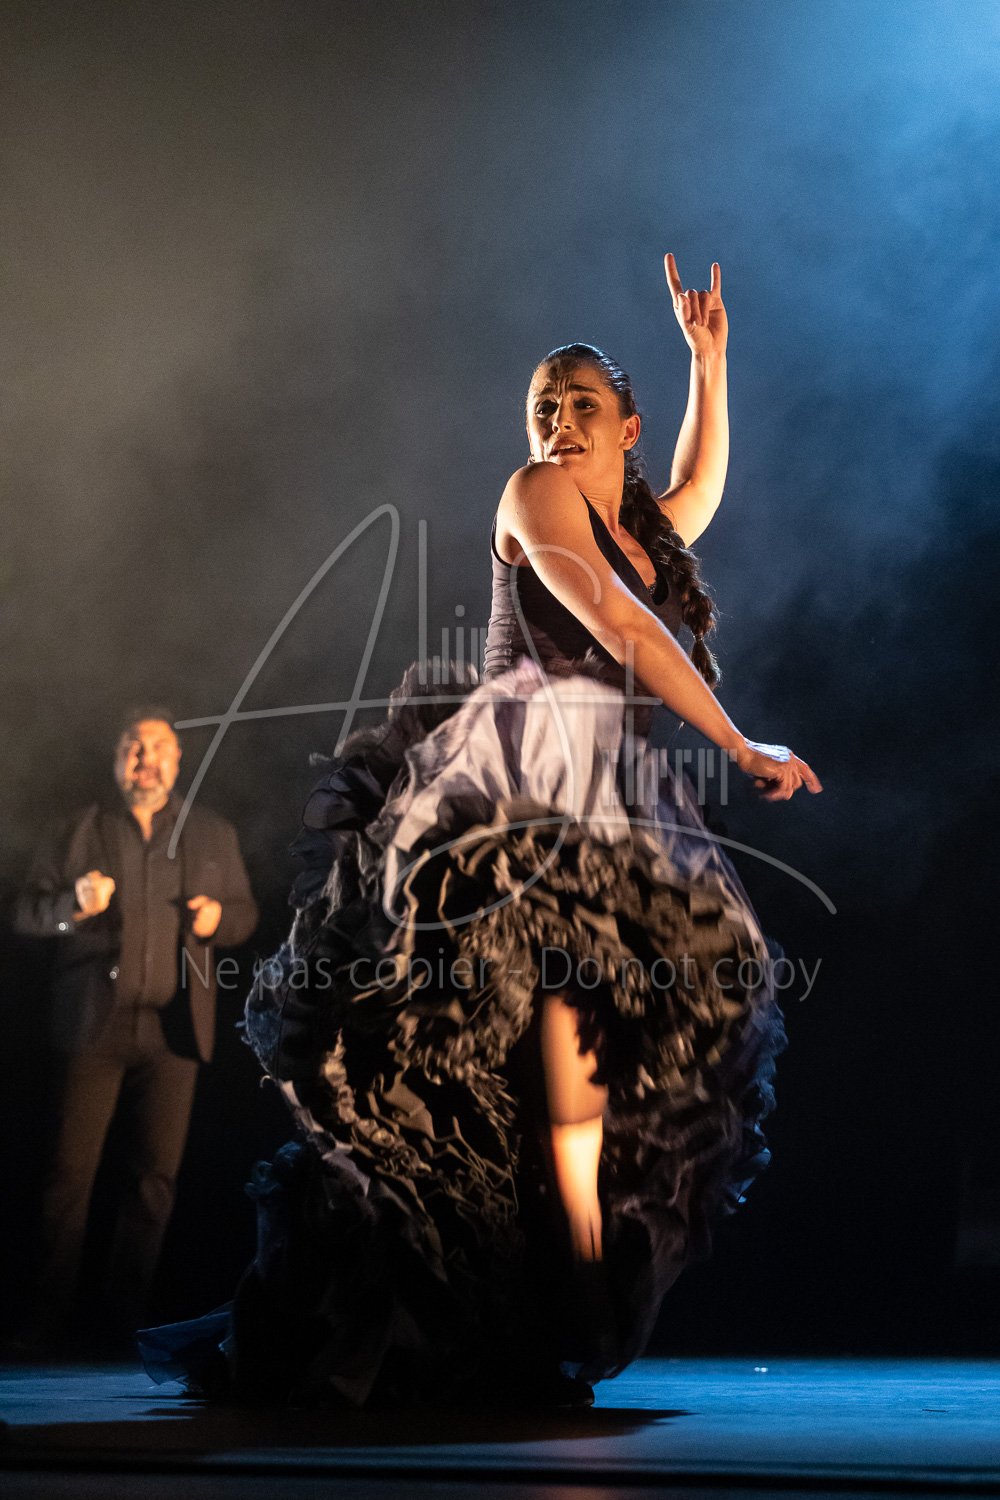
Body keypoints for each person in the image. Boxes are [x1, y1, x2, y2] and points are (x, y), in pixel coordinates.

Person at [139, 254, 821, 1409]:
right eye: (543, 405)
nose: (558, 422)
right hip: (508, 800)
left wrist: (708, 362)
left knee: (593, 1047)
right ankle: (570, 1284)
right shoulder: (536, 495)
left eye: (581, 405)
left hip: (603, 806)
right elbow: (621, 623)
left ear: (625, 427)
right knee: (550, 1031)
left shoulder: (639, 525)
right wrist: (738, 740)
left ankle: (544, 1292)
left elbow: (695, 491)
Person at [11, 709, 259, 1351]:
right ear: (118, 758)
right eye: (135, 748)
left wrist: (216, 922)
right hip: (92, 1027)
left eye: (159, 748)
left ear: (178, 761)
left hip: (175, 1033)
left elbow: (245, 914)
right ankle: (43, 1324)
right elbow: (27, 915)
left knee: (154, 1184)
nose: (146, 760)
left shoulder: (211, 832)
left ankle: (122, 1328)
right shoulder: (76, 830)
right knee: (67, 1179)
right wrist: (72, 907)